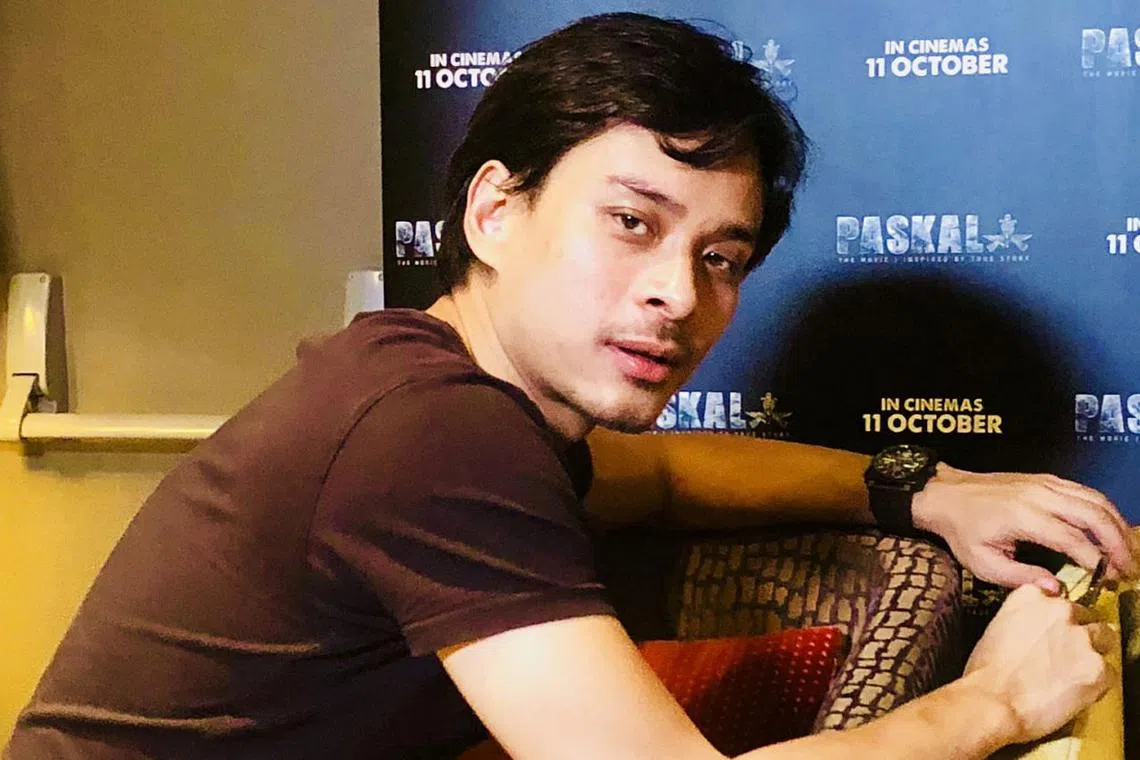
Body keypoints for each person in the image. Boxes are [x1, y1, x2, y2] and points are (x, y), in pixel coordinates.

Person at [6, 12, 1137, 760]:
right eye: (631, 222)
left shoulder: (451, 389)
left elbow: (665, 477)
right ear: (495, 212)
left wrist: (925, 488)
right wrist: (996, 701)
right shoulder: (430, 434)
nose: (678, 293)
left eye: (720, 257)